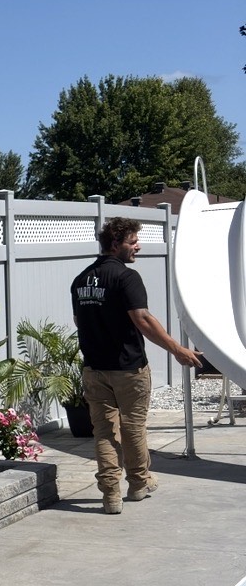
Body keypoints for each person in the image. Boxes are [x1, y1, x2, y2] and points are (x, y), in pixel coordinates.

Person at [70, 217, 198, 514]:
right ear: (115, 244)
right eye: (132, 242)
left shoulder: (80, 280)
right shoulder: (126, 277)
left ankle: (111, 496)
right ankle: (138, 484)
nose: (137, 247)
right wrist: (177, 349)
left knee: (104, 432)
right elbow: (142, 319)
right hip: (128, 368)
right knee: (133, 427)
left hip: (94, 368)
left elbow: (79, 321)